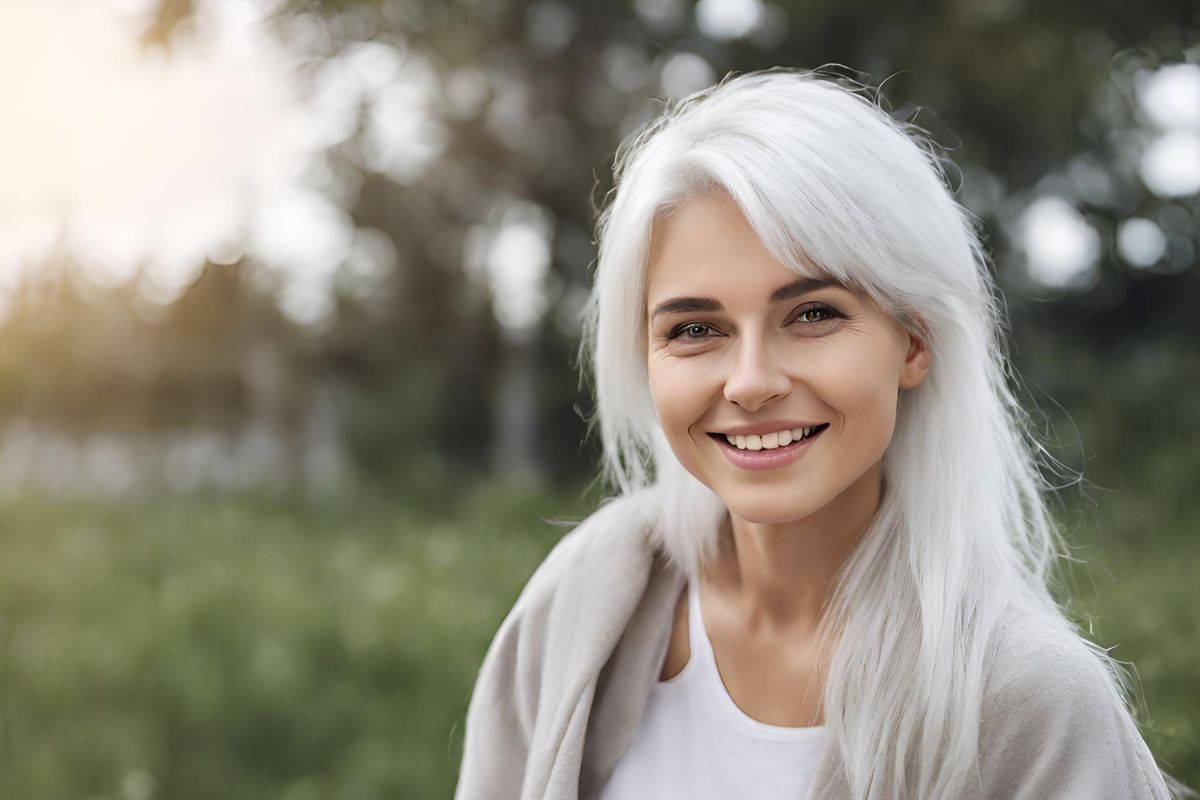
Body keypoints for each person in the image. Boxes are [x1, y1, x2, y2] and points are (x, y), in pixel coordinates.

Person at [454, 69, 1186, 799]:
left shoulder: (1028, 701)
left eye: (812, 315)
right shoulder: (586, 597)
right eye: (696, 328)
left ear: (914, 340)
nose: (749, 381)